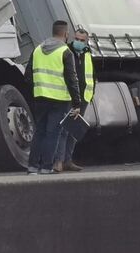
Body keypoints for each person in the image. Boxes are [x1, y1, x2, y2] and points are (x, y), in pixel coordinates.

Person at [25, 20, 83, 174]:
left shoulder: (37, 50)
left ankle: (32, 166)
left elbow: (28, 75)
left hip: (40, 97)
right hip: (60, 100)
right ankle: (46, 167)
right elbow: (72, 79)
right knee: (53, 134)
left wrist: (37, 90)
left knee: (39, 132)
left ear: (53, 31)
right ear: (65, 33)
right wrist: (77, 104)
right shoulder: (65, 52)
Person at [56, 27, 94, 172]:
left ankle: (68, 161)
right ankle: (58, 161)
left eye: (81, 40)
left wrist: (91, 93)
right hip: (69, 96)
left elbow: (90, 74)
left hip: (84, 97)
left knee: (74, 130)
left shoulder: (87, 53)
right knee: (64, 129)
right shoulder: (66, 51)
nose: (78, 42)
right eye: (76, 39)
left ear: (87, 41)